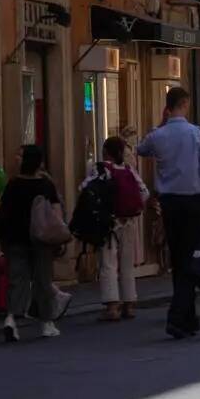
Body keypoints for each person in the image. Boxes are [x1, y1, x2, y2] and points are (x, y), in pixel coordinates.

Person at [136, 87, 200, 339]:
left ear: (167, 106)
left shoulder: (158, 135)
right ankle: (177, 316)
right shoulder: (197, 135)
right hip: (194, 204)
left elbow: (141, 149)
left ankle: (188, 318)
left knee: (178, 258)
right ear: (185, 103)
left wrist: (161, 124)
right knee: (193, 259)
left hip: (170, 206)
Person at [0, 145, 63, 341]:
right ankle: (46, 323)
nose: (17, 158)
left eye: (20, 156)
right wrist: (58, 235)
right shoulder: (45, 185)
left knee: (17, 279)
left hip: (15, 238)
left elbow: (3, 210)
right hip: (40, 239)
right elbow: (56, 211)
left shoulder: (13, 184)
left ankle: (11, 319)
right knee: (43, 280)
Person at [81, 137, 149, 322]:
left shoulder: (101, 168)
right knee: (127, 263)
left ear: (106, 152)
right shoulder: (128, 170)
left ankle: (112, 306)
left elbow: (85, 188)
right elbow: (144, 192)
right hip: (129, 222)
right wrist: (133, 210)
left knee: (108, 262)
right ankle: (129, 304)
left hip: (110, 222)